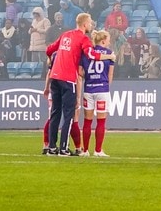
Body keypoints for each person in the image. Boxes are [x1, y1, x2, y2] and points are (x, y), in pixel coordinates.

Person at [44, 13, 112, 156]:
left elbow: (49, 49)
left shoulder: (65, 34)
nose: (92, 24)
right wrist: (109, 56)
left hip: (54, 77)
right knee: (68, 114)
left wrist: (50, 59)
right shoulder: (83, 38)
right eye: (90, 22)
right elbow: (92, 55)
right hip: (68, 79)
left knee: (55, 113)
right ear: (85, 24)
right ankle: (63, 148)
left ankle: (51, 147)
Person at [79, 29, 114, 157]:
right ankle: (98, 150)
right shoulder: (109, 54)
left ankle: (85, 150)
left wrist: (89, 77)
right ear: (103, 40)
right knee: (101, 121)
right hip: (102, 90)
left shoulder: (87, 54)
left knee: (87, 121)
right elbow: (110, 76)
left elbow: (80, 72)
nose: (109, 42)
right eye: (108, 40)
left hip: (88, 89)